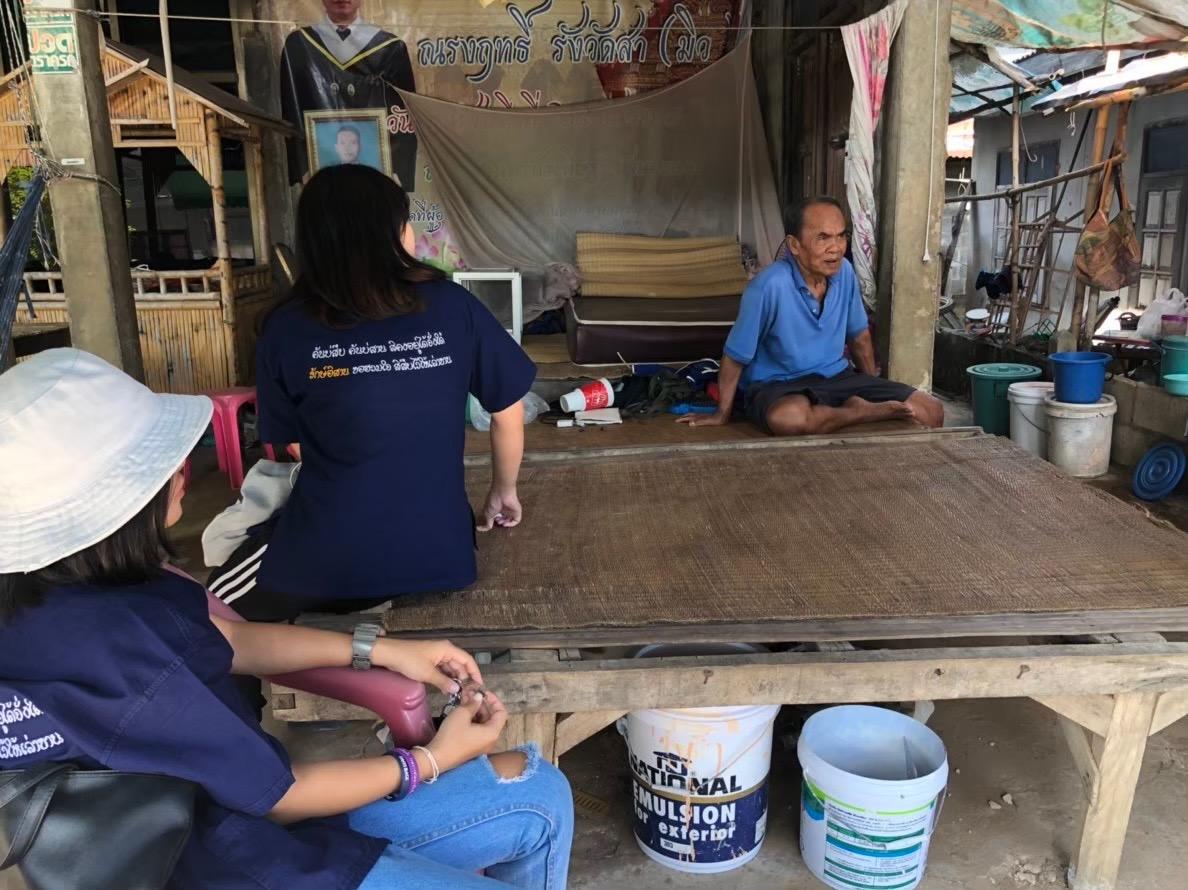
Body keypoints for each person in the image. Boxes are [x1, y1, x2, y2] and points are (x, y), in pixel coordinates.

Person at [0, 348, 574, 889]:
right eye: (155, 461)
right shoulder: (121, 650)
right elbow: (281, 796)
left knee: (540, 793)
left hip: (232, 824)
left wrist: (380, 649)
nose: (181, 465)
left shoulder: (70, 593)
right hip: (235, 864)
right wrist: (432, 759)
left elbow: (230, 640)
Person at [208, 164, 535, 624]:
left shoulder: (283, 327)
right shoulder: (453, 305)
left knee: (207, 608)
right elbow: (507, 411)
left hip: (330, 561)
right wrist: (503, 491)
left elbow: (295, 446)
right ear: (393, 233)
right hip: (441, 555)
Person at [680, 196, 944, 435]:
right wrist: (722, 414)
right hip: (780, 385)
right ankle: (858, 412)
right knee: (789, 419)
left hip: (837, 377)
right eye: (823, 238)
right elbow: (735, 357)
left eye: (841, 236)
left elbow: (860, 338)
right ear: (794, 245)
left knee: (930, 410)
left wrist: (869, 386)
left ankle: (857, 408)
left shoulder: (845, 273)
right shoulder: (768, 286)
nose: (836, 248)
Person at [280, 0, 417, 187]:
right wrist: (302, 168)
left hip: (377, 174)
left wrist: (397, 170)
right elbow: (292, 110)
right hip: (320, 174)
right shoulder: (298, 45)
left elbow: (403, 116)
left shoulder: (390, 48)